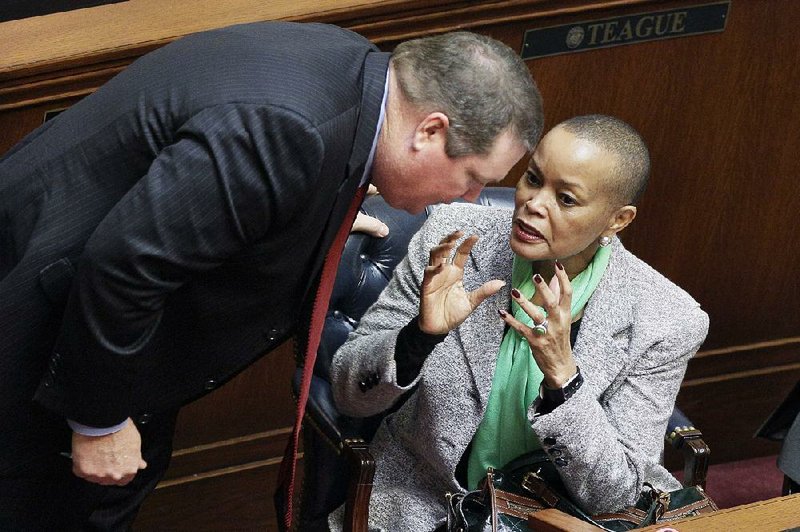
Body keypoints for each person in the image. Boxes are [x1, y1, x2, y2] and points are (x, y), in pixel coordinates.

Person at [0, 21, 543, 529]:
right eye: (472, 177)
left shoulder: (350, 72)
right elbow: (125, 265)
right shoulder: (293, 131)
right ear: (429, 130)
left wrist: (312, 204)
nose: (472, 198)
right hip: (47, 345)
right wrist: (98, 421)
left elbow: (218, 194)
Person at [330, 115, 709, 531]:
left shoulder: (667, 318)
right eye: (533, 178)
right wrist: (418, 337)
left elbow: (614, 495)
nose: (533, 203)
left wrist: (564, 380)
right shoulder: (453, 238)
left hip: (557, 516)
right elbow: (350, 392)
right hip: (424, 500)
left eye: (565, 199)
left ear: (617, 220)